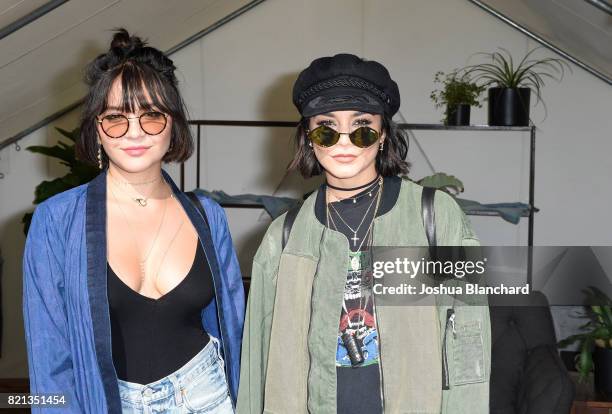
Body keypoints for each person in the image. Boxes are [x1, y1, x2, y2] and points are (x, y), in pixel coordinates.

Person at [237, 54, 491, 414]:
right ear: (309, 138)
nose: (344, 142)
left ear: (383, 134)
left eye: (362, 128)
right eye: (326, 128)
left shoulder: (435, 216)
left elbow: (469, 339)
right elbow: (257, 358)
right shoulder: (285, 236)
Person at [23, 29, 244, 413]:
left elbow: (237, 334)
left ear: (172, 123)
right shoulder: (56, 221)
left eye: (152, 116)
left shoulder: (209, 216)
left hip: (208, 396)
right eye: (115, 118)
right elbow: (49, 358)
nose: (135, 132)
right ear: (97, 129)